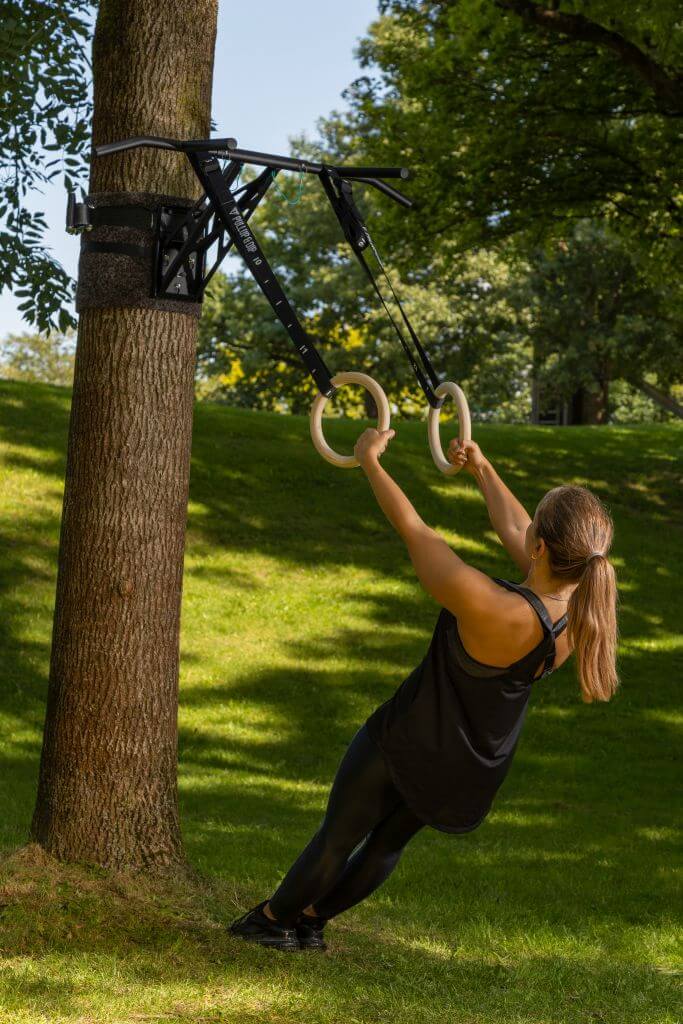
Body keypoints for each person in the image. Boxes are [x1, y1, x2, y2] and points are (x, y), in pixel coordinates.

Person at [229, 430, 619, 952]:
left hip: (409, 738)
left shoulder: (491, 605)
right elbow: (519, 527)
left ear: (542, 548)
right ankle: (314, 922)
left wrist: (369, 461)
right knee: (387, 843)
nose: (526, 528)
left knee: (339, 835)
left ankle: (273, 921)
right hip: (469, 762)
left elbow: (415, 530)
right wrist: (480, 468)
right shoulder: (577, 612)